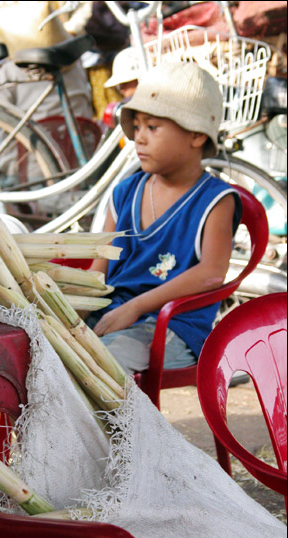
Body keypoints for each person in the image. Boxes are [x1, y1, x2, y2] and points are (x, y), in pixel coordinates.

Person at [86, 61, 242, 375]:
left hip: (171, 327)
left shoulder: (215, 201)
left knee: (100, 364)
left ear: (196, 135)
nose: (139, 138)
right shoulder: (125, 193)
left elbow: (212, 273)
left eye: (153, 127)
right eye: (137, 127)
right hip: (112, 313)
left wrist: (136, 307)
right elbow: (98, 270)